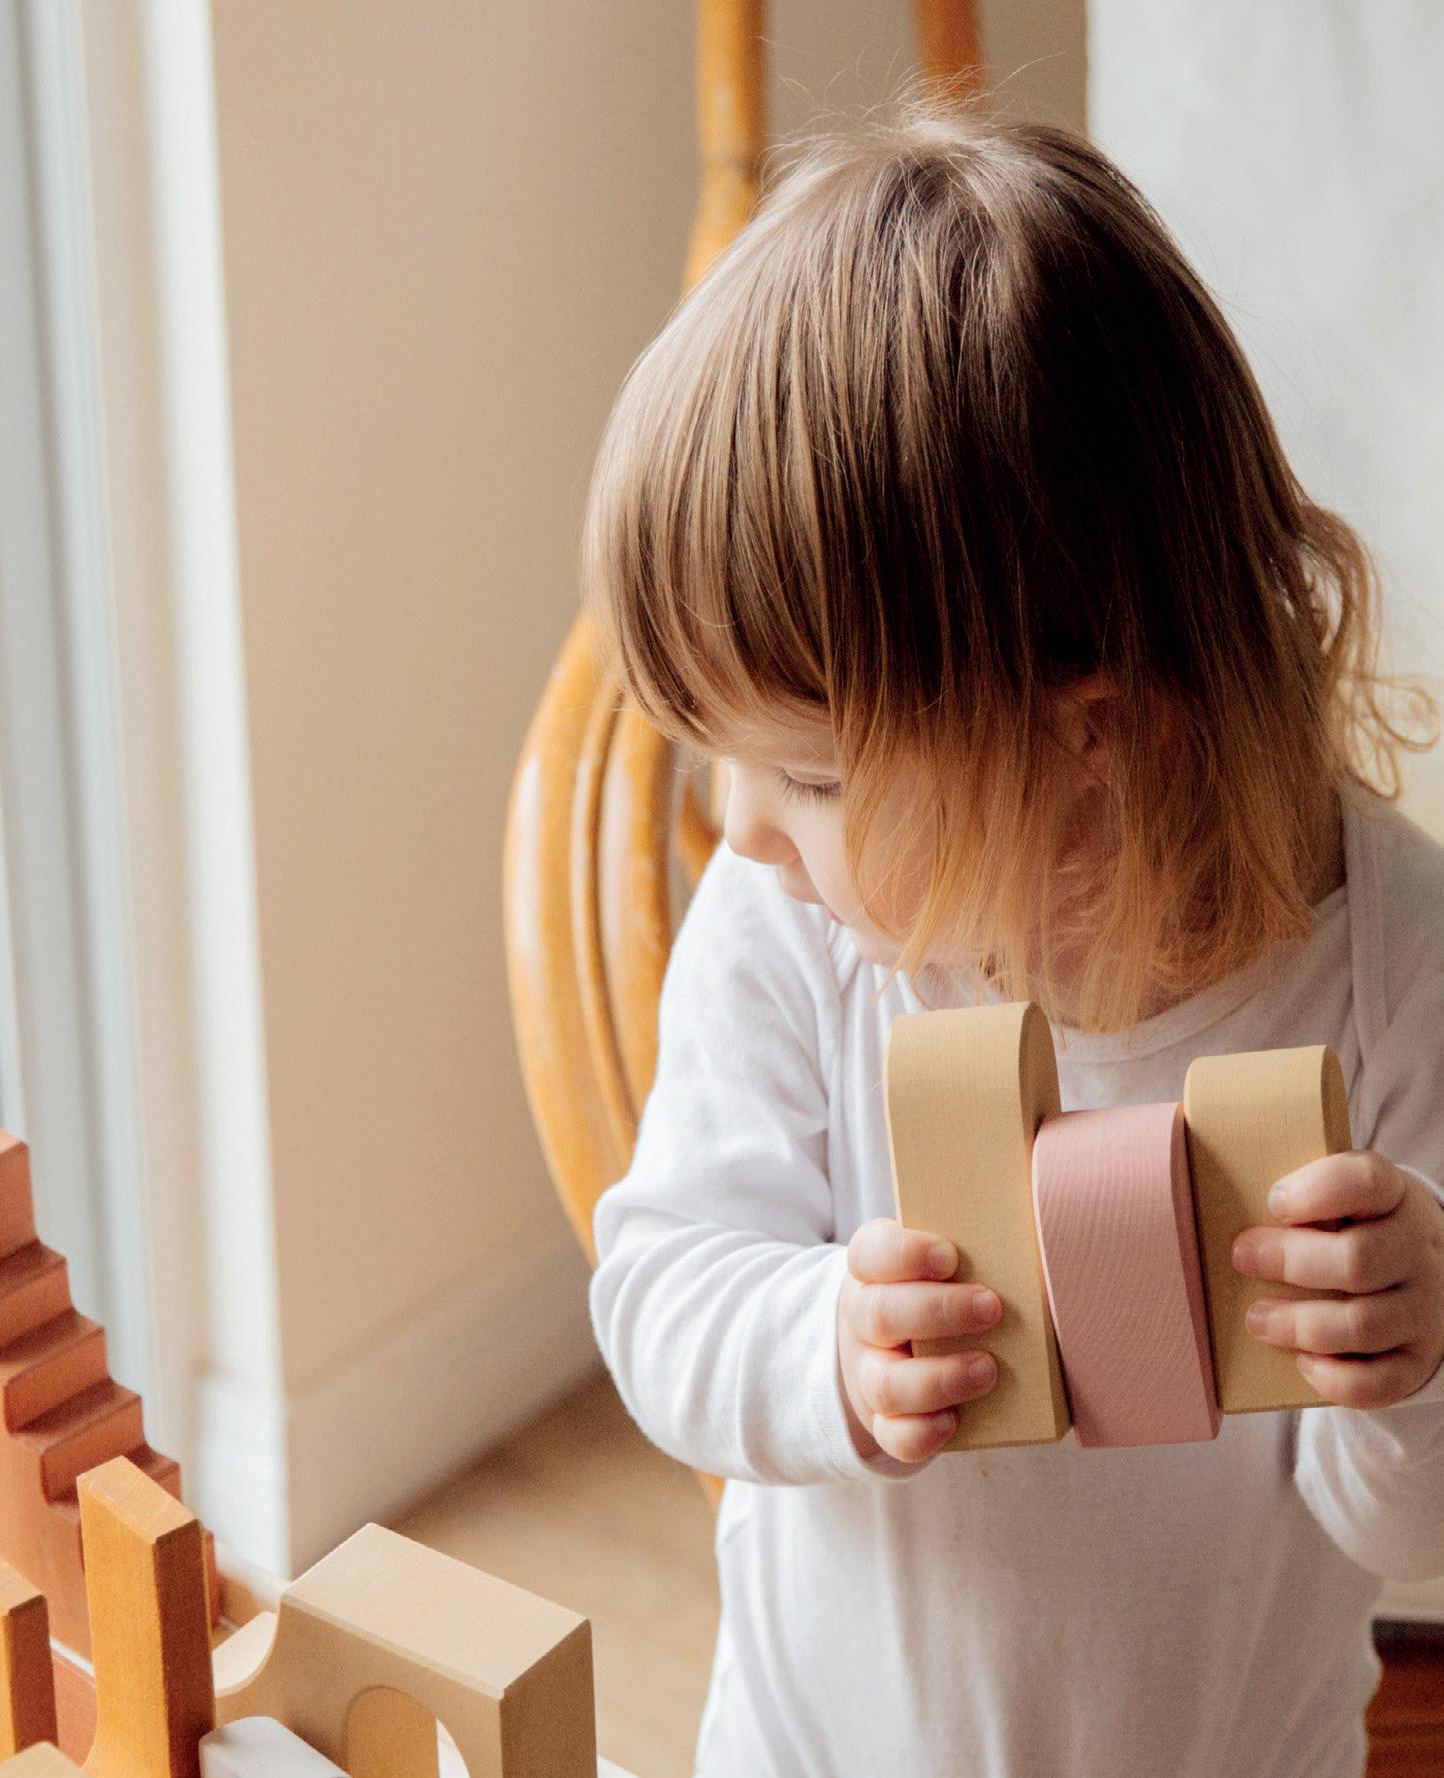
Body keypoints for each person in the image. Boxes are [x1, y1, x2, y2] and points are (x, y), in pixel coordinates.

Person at [581, 101, 1444, 1777]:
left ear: (1087, 734)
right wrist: (819, 1343)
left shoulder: (1392, 972)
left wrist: (1415, 1353)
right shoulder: (795, 928)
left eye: (812, 776)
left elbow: (1400, 1532)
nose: (740, 826)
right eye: (722, 758)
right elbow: (663, 1291)